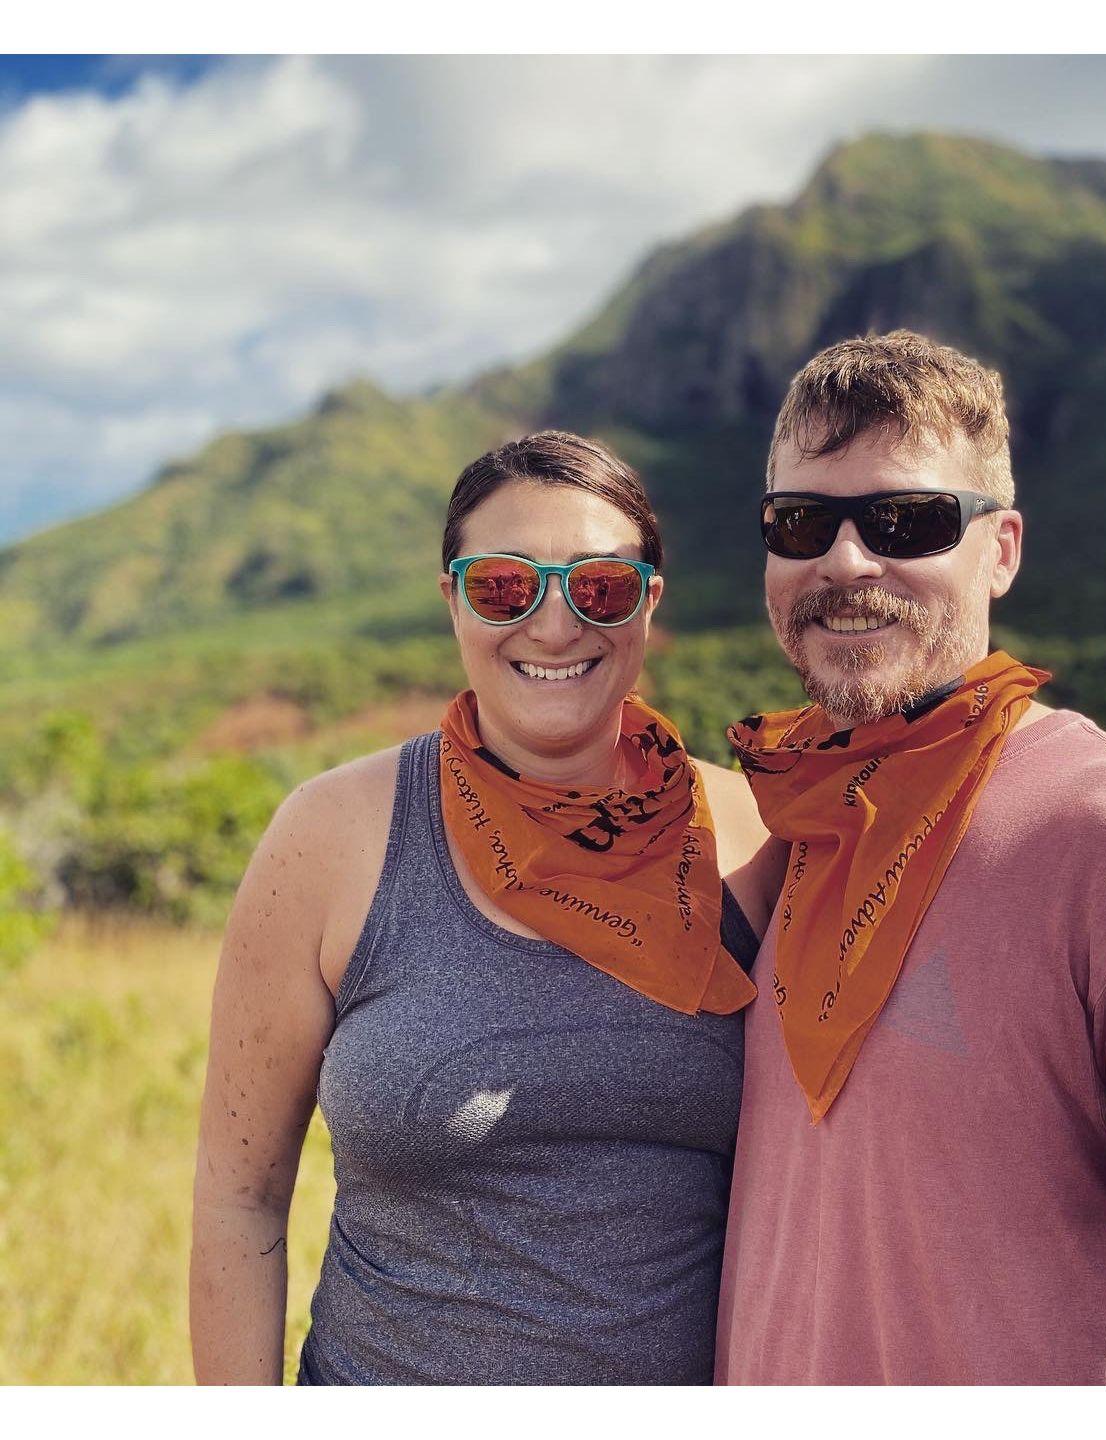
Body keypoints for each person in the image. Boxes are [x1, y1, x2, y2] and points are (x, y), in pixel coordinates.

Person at [715, 330, 1106, 1385]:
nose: (845, 561)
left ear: (1001, 548)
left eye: (906, 520)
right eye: (801, 522)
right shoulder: (793, 821)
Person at [189, 431, 782, 1385]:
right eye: (506, 585)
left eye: (600, 587)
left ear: (647, 607)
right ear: (452, 600)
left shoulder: (756, 843)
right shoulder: (331, 838)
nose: (554, 627)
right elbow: (238, 1196)